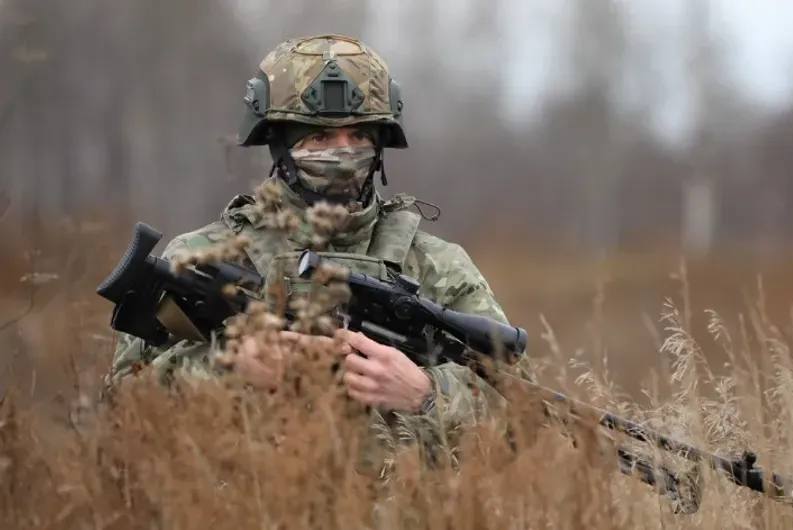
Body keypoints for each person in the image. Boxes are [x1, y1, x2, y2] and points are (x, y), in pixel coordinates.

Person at [104, 34, 534, 449]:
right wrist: (228, 369)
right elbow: (123, 410)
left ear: (380, 144)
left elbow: (521, 413)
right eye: (319, 138)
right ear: (279, 145)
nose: (343, 154)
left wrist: (426, 393)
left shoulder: (436, 266)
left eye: (359, 136)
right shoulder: (203, 258)